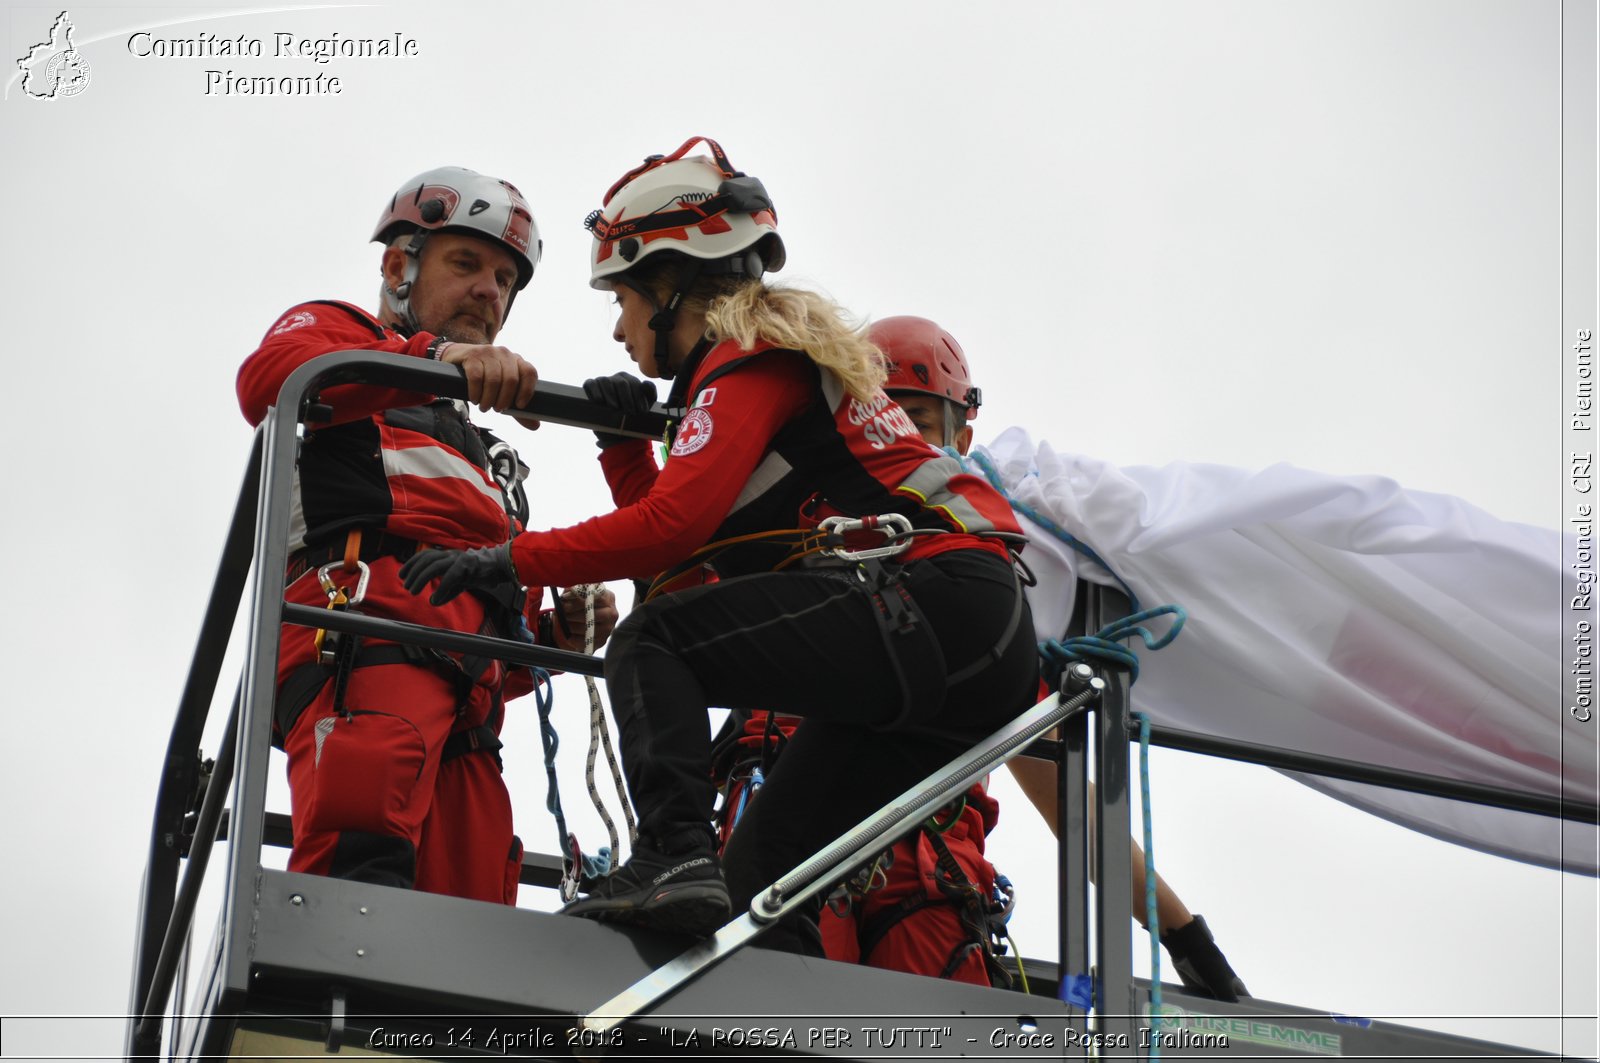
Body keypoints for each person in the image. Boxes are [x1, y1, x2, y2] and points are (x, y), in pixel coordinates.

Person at [398, 137, 1040, 946]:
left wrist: (505, 558)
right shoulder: (755, 376)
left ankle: (671, 851)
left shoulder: (753, 359)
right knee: (764, 887)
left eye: (621, 299)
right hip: (972, 651)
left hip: (940, 606)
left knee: (651, 641)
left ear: (670, 283)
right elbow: (684, 558)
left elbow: (670, 528)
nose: (618, 330)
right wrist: (621, 442)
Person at [710, 316, 1248, 999]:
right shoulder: (782, 546)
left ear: (959, 439)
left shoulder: (975, 609)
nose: (899, 438)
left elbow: (1068, 799)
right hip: (784, 861)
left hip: (927, 896)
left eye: (918, 419)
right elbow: (667, 570)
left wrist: (1188, 938)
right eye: (882, 418)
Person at [236, 165, 616, 905]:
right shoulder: (342, 340)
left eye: (506, 279)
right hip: (359, 636)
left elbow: (485, 629)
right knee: (360, 863)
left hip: (469, 707)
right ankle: (321, 1016)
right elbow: (270, 382)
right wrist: (438, 362)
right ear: (395, 266)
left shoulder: (484, 453)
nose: (490, 292)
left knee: (472, 915)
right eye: (467, 263)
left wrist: (555, 637)